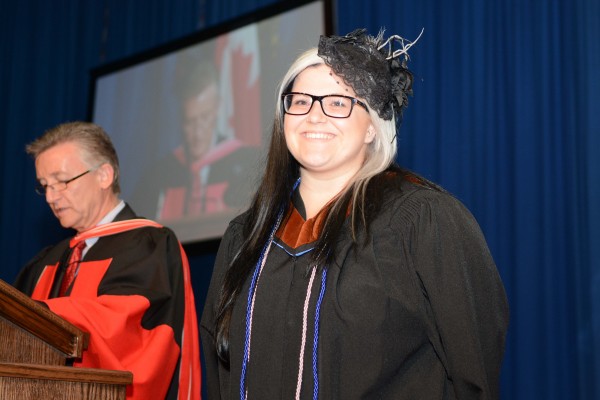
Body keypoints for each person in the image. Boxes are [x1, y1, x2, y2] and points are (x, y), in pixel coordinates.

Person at [200, 28, 509, 399]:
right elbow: (218, 371)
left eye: (337, 102)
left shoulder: (424, 222)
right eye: (300, 102)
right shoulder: (245, 236)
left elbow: (474, 371)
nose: (314, 116)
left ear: (372, 129)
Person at [14, 121, 201, 400]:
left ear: (104, 175)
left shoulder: (149, 243)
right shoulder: (46, 262)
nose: (52, 197)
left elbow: (126, 334)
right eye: (45, 186)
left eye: (62, 181)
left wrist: (40, 314)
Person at [132, 60, 259, 222]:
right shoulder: (160, 175)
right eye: (190, 121)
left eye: (205, 118)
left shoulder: (246, 163)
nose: (198, 133)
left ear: (217, 108)